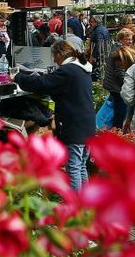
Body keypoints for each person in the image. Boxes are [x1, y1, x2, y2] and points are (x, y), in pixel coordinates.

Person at [15, 40, 96, 190]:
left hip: (75, 126)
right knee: (81, 166)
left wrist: (18, 77)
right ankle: (86, 203)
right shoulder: (82, 69)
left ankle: (75, 206)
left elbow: (43, 83)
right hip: (87, 124)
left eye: (54, 56)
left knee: (73, 168)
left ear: (60, 54)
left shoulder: (67, 70)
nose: (54, 61)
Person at [102, 28, 135, 127]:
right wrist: (129, 84)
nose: (130, 41)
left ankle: (116, 129)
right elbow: (120, 72)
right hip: (117, 87)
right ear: (121, 39)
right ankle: (117, 130)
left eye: (131, 39)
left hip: (114, 85)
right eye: (127, 39)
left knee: (118, 109)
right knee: (120, 111)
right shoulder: (119, 52)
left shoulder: (120, 49)